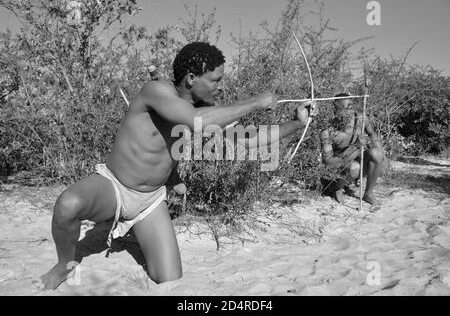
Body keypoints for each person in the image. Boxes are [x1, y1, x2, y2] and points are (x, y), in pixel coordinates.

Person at [40, 41, 315, 290]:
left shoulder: (206, 111)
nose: (220, 86)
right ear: (191, 78)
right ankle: (65, 264)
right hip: (114, 187)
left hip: (150, 200)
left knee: (169, 278)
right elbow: (195, 120)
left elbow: (249, 140)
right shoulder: (156, 91)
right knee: (68, 205)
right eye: (215, 80)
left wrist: (297, 122)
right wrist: (255, 102)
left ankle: (137, 232)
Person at [319, 93, 384, 205]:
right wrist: (355, 147)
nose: (350, 111)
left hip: (358, 158)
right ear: (336, 109)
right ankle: (337, 187)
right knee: (354, 167)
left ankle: (368, 194)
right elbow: (328, 161)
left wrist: (380, 151)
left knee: (377, 154)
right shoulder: (327, 131)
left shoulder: (360, 119)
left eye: (351, 107)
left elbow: (371, 133)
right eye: (345, 108)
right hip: (339, 164)